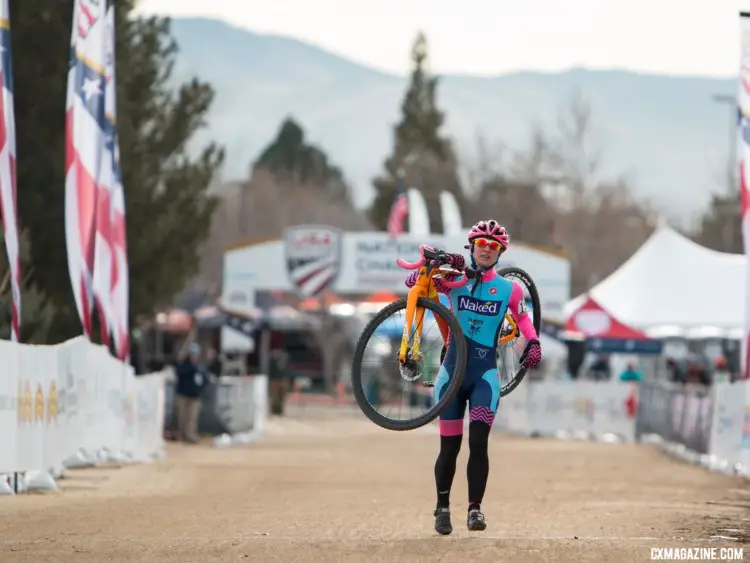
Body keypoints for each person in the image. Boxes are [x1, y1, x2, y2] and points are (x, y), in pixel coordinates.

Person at [404, 219, 542, 535]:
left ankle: (475, 510)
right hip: (451, 374)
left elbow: (523, 318)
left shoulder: (510, 289)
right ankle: (441, 509)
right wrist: (419, 278)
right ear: (472, 246)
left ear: (500, 252)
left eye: (494, 247)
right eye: (482, 244)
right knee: (449, 447)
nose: (487, 250)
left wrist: (533, 342)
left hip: (484, 377)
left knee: (479, 443)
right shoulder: (455, 281)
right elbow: (421, 285)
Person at [174, 343, 209, 443]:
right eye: (192, 354)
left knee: (192, 417)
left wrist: (201, 389)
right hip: (183, 395)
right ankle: (182, 435)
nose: (194, 357)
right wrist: (192, 369)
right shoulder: (184, 366)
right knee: (182, 417)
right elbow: (180, 373)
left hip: (195, 396)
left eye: (196, 354)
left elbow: (204, 379)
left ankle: (191, 435)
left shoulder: (200, 367)